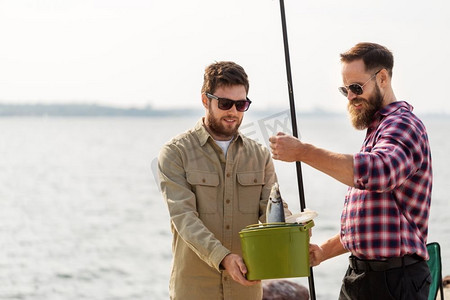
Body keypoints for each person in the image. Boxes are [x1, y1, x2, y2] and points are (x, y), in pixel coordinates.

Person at [269, 42, 432, 299]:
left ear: (382, 78)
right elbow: (369, 227)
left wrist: (303, 152)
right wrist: (324, 251)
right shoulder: (378, 131)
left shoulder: (403, 124)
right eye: (345, 89)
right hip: (360, 278)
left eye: (356, 88)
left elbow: (380, 172)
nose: (350, 97)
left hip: (394, 281)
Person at [158, 61, 290, 300]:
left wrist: (295, 232)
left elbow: (271, 212)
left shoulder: (260, 156)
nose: (233, 112)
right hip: (193, 291)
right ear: (205, 100)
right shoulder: (175, 152)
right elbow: (184, 218)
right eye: (225, 103)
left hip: (246, 290)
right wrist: (224, 258)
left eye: (241, 104)